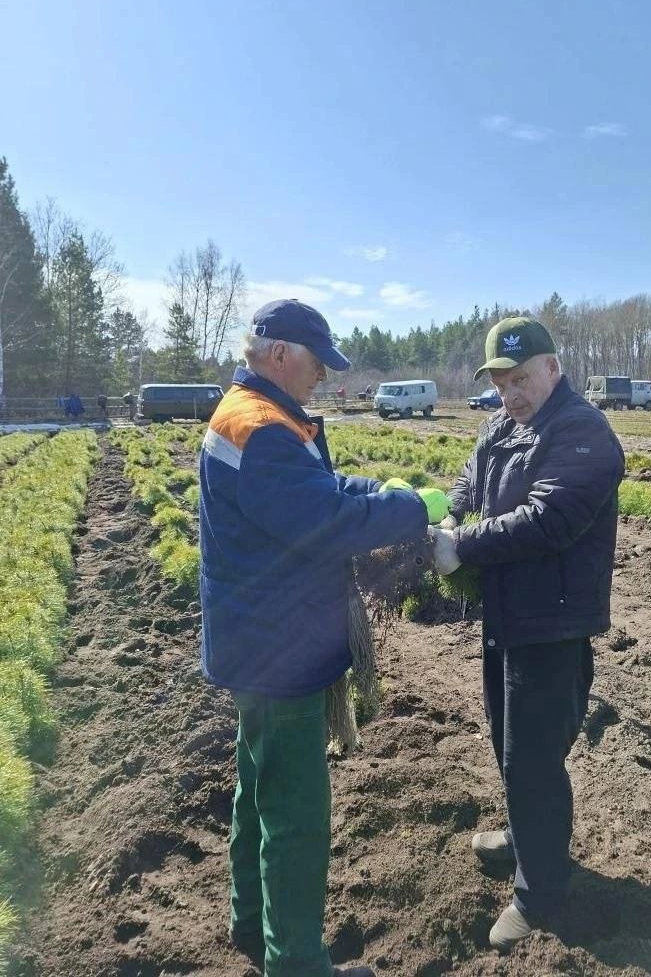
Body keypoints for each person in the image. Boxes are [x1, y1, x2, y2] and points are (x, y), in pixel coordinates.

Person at [198, 298, 448, 977]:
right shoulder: (264, 429)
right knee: (297, 813)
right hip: (280, 654)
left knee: (259, 787)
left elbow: (322, 486)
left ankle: (251, 922)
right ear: (280, 353)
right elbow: (323, 520)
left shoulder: (254, 415)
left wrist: (380, 487)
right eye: (317, 363)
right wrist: (408, 509)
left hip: (253, 644)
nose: (324, 378)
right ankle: (298, 963)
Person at [429, 317, 624, 955]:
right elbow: (470, 476)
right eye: (501, 382)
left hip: (554, 623)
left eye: (521, 379)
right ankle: (524, 835)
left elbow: (550, 518)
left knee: (533, 760)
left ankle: (537, 896)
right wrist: (452, 510)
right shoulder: (503, 427)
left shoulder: (582, 431)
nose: (511, 393)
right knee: (509, 743)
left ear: (552, 368)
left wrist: (462, 545)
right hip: (509, 617)